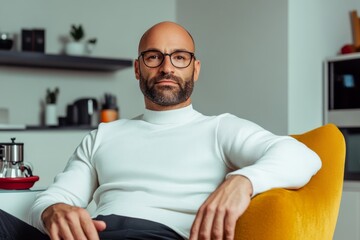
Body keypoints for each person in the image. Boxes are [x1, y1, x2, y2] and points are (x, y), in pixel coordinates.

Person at [0, 21, 321, 240]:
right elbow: (58, 196)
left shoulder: (220, 128)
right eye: (154, 56)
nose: (167, 67)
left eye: (179, 57)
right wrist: (54, 210)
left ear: (195, 69)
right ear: (138, 68)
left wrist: (243, 180)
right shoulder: (104, 135)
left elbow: (303, 156)